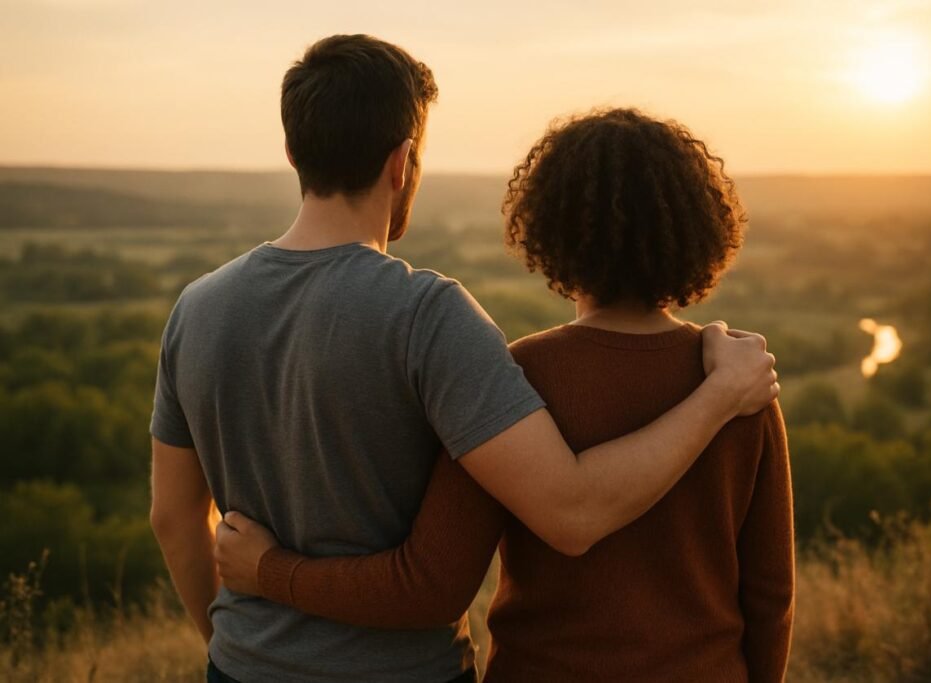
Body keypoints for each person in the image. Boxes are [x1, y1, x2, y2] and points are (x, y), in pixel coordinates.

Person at [149, 34, 778, 683]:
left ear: (292, 152)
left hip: (240, 665)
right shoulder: (429, 316)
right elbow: (571, 511)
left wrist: (236, 645)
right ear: (402, 162)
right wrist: (720, 395)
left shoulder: (196, 309)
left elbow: (172, 517)